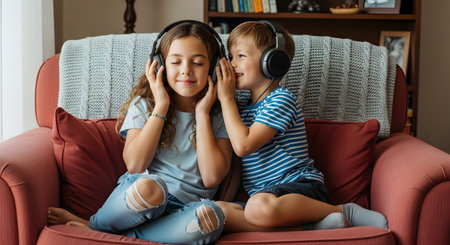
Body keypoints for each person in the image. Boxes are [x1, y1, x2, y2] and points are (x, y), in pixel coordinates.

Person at [48, 20, 233, 245]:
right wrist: (161, 105)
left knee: (211, 217)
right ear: (159, 64)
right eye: (176, 61)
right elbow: (135, 164)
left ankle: (105, 231)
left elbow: (212, 176)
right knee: (150, 188)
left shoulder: (222, 114)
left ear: (214, 68)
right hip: (143, 198)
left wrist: (202, 114)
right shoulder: (145, 105)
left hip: (185, 211)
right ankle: (101, 224)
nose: (186, 70)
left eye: (198, 62)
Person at [214, 21, 388, 231]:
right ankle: (314, 225)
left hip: (300, 188)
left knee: (256, 208)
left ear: (272, 61)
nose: (232, 64)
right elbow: (237, 165)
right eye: (231, 57)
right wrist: (223, 199)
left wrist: (225, 98)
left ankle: (341, 211)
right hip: (264, 199)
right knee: (218, 212)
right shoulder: (240, 107)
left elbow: (243, 146)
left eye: (241, 56)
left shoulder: (280, 100)